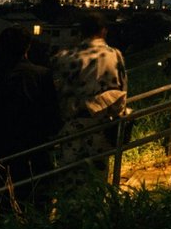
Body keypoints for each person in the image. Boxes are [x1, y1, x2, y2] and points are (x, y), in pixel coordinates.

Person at [0, 25, 61, 216]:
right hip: (34, 153)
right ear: (27, 47)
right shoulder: (41, 75)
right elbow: (53, 116)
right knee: (36, 204)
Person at [52, 12, 129, 170]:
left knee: (69, 176)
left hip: (69, 127)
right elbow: (122, 89)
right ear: (103, 31)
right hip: (100, 128)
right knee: (96, 178)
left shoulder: (64, 57)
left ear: (81, 32)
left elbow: (54, 91)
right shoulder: (114, 56)